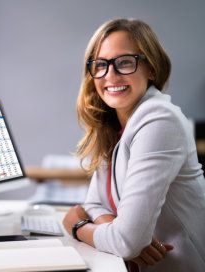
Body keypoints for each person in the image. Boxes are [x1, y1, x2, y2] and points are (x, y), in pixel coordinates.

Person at [62, 18, 205, 272]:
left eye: (125, 62)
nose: (111, 75)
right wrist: (116, 233)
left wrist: (77, 227)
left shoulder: (159, 119)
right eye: (101, 64)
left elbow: (126, 242)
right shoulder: (114, 124)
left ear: (151, 68)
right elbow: (95, 204)